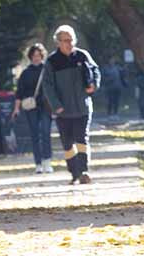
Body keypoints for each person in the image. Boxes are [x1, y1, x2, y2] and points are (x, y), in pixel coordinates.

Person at [42, 26, 101, 185]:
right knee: (67, 143)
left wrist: (94, 85)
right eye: (65, 40)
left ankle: (83, 171)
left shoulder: (82, 56)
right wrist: (56, 105)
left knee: (82, 139)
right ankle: (74, 172)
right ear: (58, 42)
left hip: (82, 106)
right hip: (63, 110)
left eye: (71, 40)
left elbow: (95, 71)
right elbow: (47, 85)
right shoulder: (52, 62)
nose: (69, 43)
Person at [12, 43, 54, 174]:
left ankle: (47, 161)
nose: (36, 58)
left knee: (46, 133)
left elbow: (53, 88)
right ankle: (38, 163)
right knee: (35, 134)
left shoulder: (47, 70)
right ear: (30, 57)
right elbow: (19, 92)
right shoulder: (25, 73)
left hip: (46, 107)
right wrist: (16, 109)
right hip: (31, 107)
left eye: (38, 55)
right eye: (34, 55)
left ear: (42, 56)